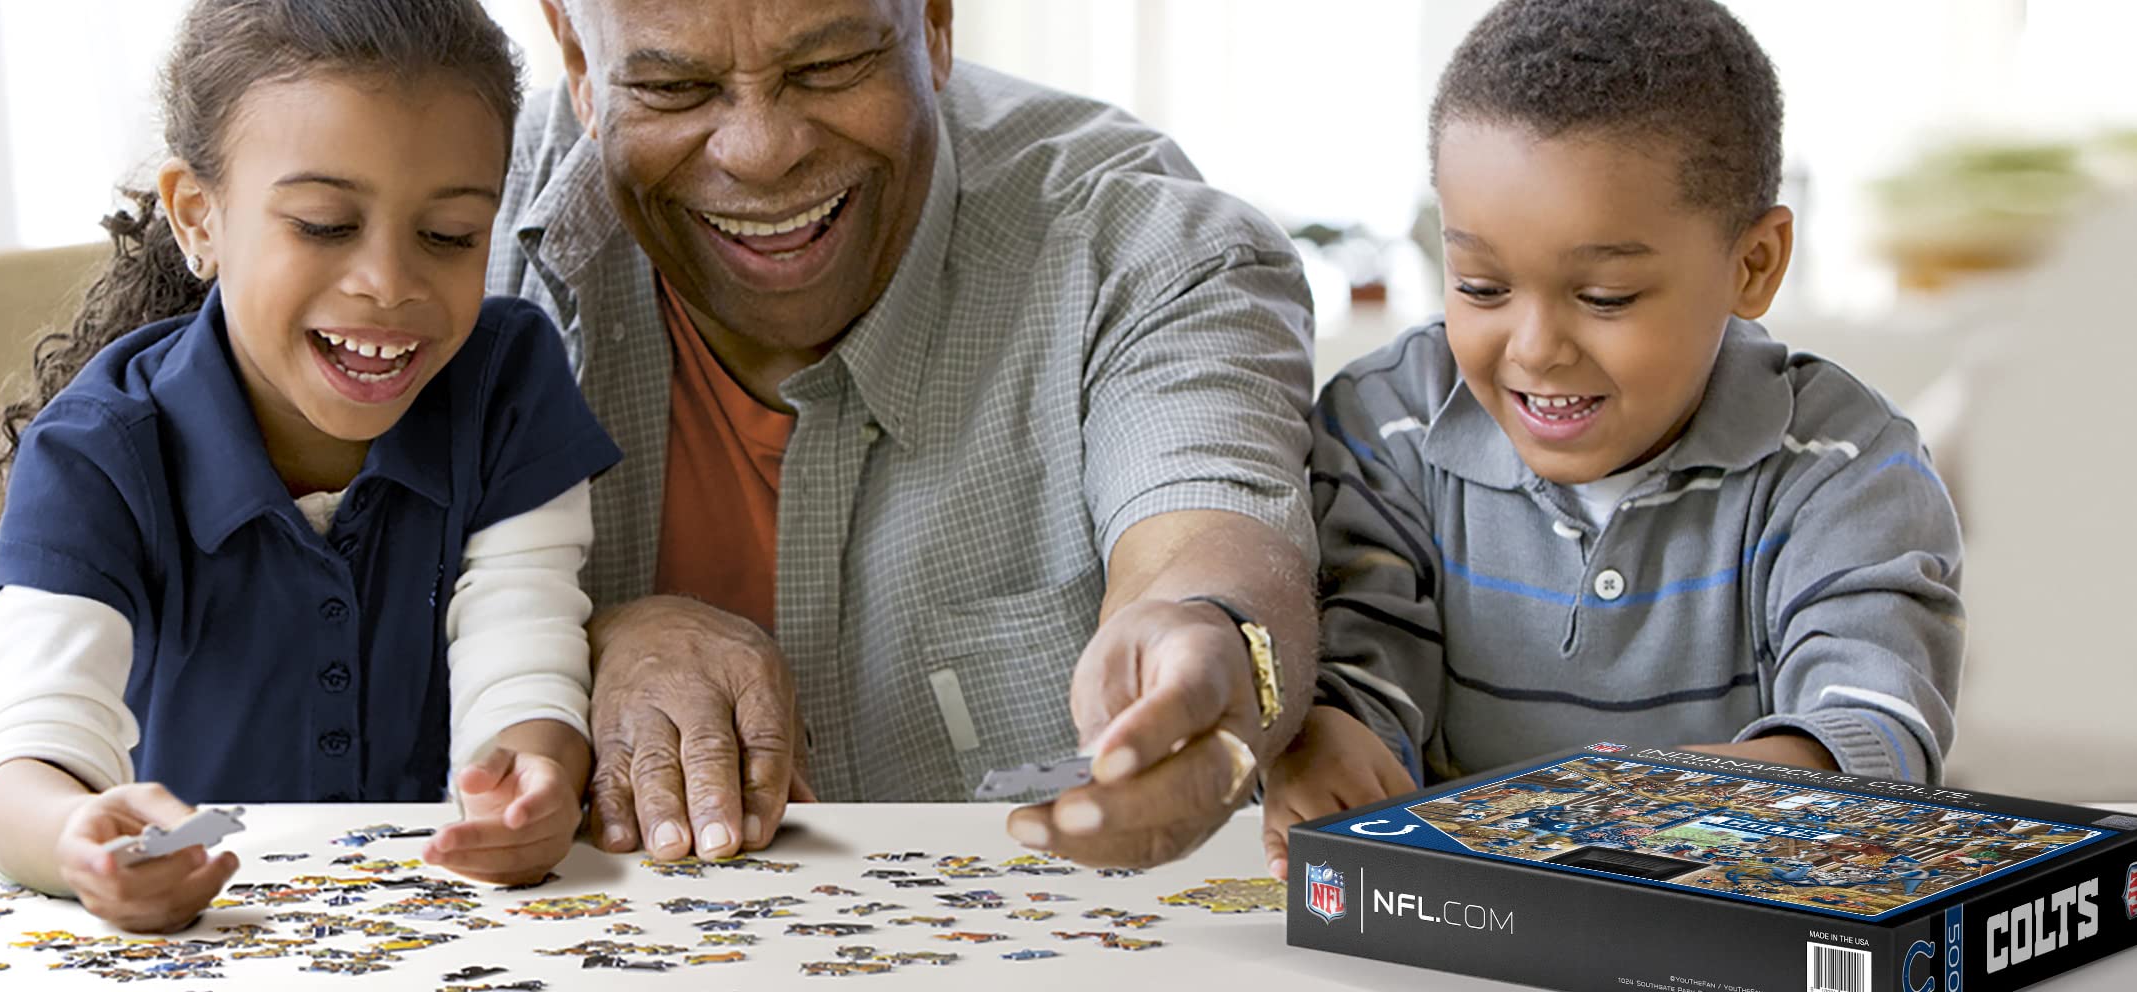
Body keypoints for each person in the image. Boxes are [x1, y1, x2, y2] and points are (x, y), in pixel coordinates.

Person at [493, 0, 1320, 868]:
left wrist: (1214, 645)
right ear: (578, 61)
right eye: (672, 86)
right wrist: (575, 642)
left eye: (828, 67)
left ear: (933, 23)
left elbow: (1206, 539)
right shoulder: (434, 223)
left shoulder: (1140, 244)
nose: (761, 151)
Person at [0, 0, 620, 932]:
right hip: (203, 939)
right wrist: (75, 836)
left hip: (451, 929)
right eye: (321, 223)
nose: (388, 281)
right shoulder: (97, 451)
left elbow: (523, 648)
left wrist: (532, 777)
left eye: (451, 235)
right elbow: (23, 750)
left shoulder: (508, 384)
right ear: (199, 217)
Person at [1261, 0, 1964, 878]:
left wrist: (1673, 807)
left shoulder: (1844, 465)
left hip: (1728, 915)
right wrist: (1328, 735)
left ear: (1753, 265)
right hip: (1454, 921)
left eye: (1605, 298)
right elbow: (1365, 651)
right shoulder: (1385, 425)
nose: (1535, 348)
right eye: (1480, 286)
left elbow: (1872, 718)